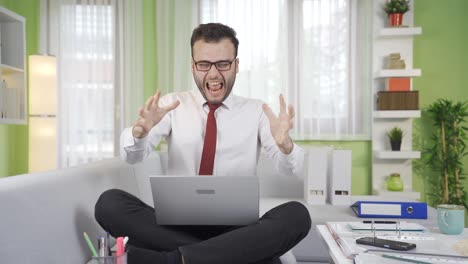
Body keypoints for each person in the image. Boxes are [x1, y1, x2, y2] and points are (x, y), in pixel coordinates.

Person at [95, 23, 311, 264]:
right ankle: (233, 257)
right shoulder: (173, 105)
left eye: (223, 64)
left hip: (235, 231)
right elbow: (132, 157)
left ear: (236, 66)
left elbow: (292, 169)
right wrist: (139, 134)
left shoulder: (257, 111)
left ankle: (174, 260)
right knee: (109, 203)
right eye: (204, 64)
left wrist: (286, 146)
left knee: (297, 215)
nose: (214, 74)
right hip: (176, 226)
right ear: (193, 66)